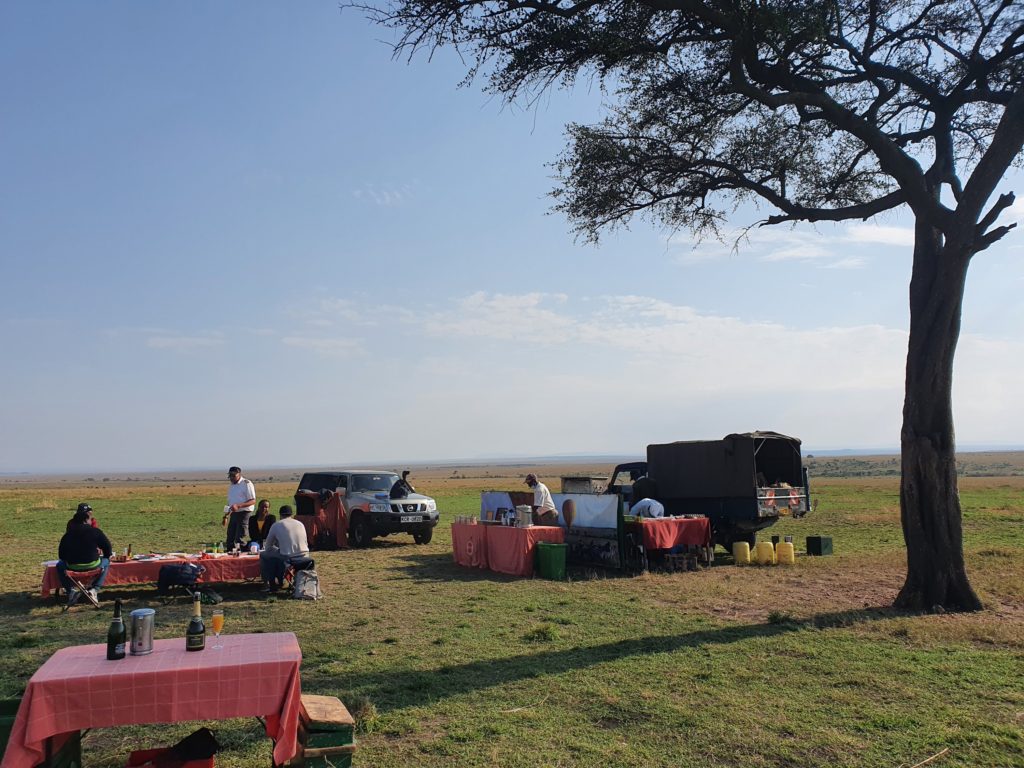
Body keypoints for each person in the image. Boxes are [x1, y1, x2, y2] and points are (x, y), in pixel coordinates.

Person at [57, 506, 113, 605]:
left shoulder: (68, 534)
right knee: (106, 561)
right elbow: (107, 547)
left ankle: (71, 591)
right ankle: (94, 590)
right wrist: (107, 555)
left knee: (59, 565)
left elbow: (61, 555)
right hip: (93, 565)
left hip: (72, 567)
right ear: (86, 520)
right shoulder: (95, 531)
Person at [259, 505, 310, 592]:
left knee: (264, 555)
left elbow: (268, 546)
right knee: (279, 553)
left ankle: (268, 584)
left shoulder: (277, 525)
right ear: (291, 514)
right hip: (305, 555)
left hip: (288, 557)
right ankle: (282, 579)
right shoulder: (300, 524)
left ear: (280, 515)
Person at [223, 466, 256, 551]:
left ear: (239, 474)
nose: (231, 478)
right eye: (230, 476)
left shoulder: (246, 484)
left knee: (240, 537)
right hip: (234, 513)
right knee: (230, 537)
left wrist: (239, 506)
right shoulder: (231, 486)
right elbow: (231, 503)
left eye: (234, 475)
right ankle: (230, 555)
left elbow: (253, 501)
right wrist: (226, 516)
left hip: (244, 513)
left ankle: (242, 556)